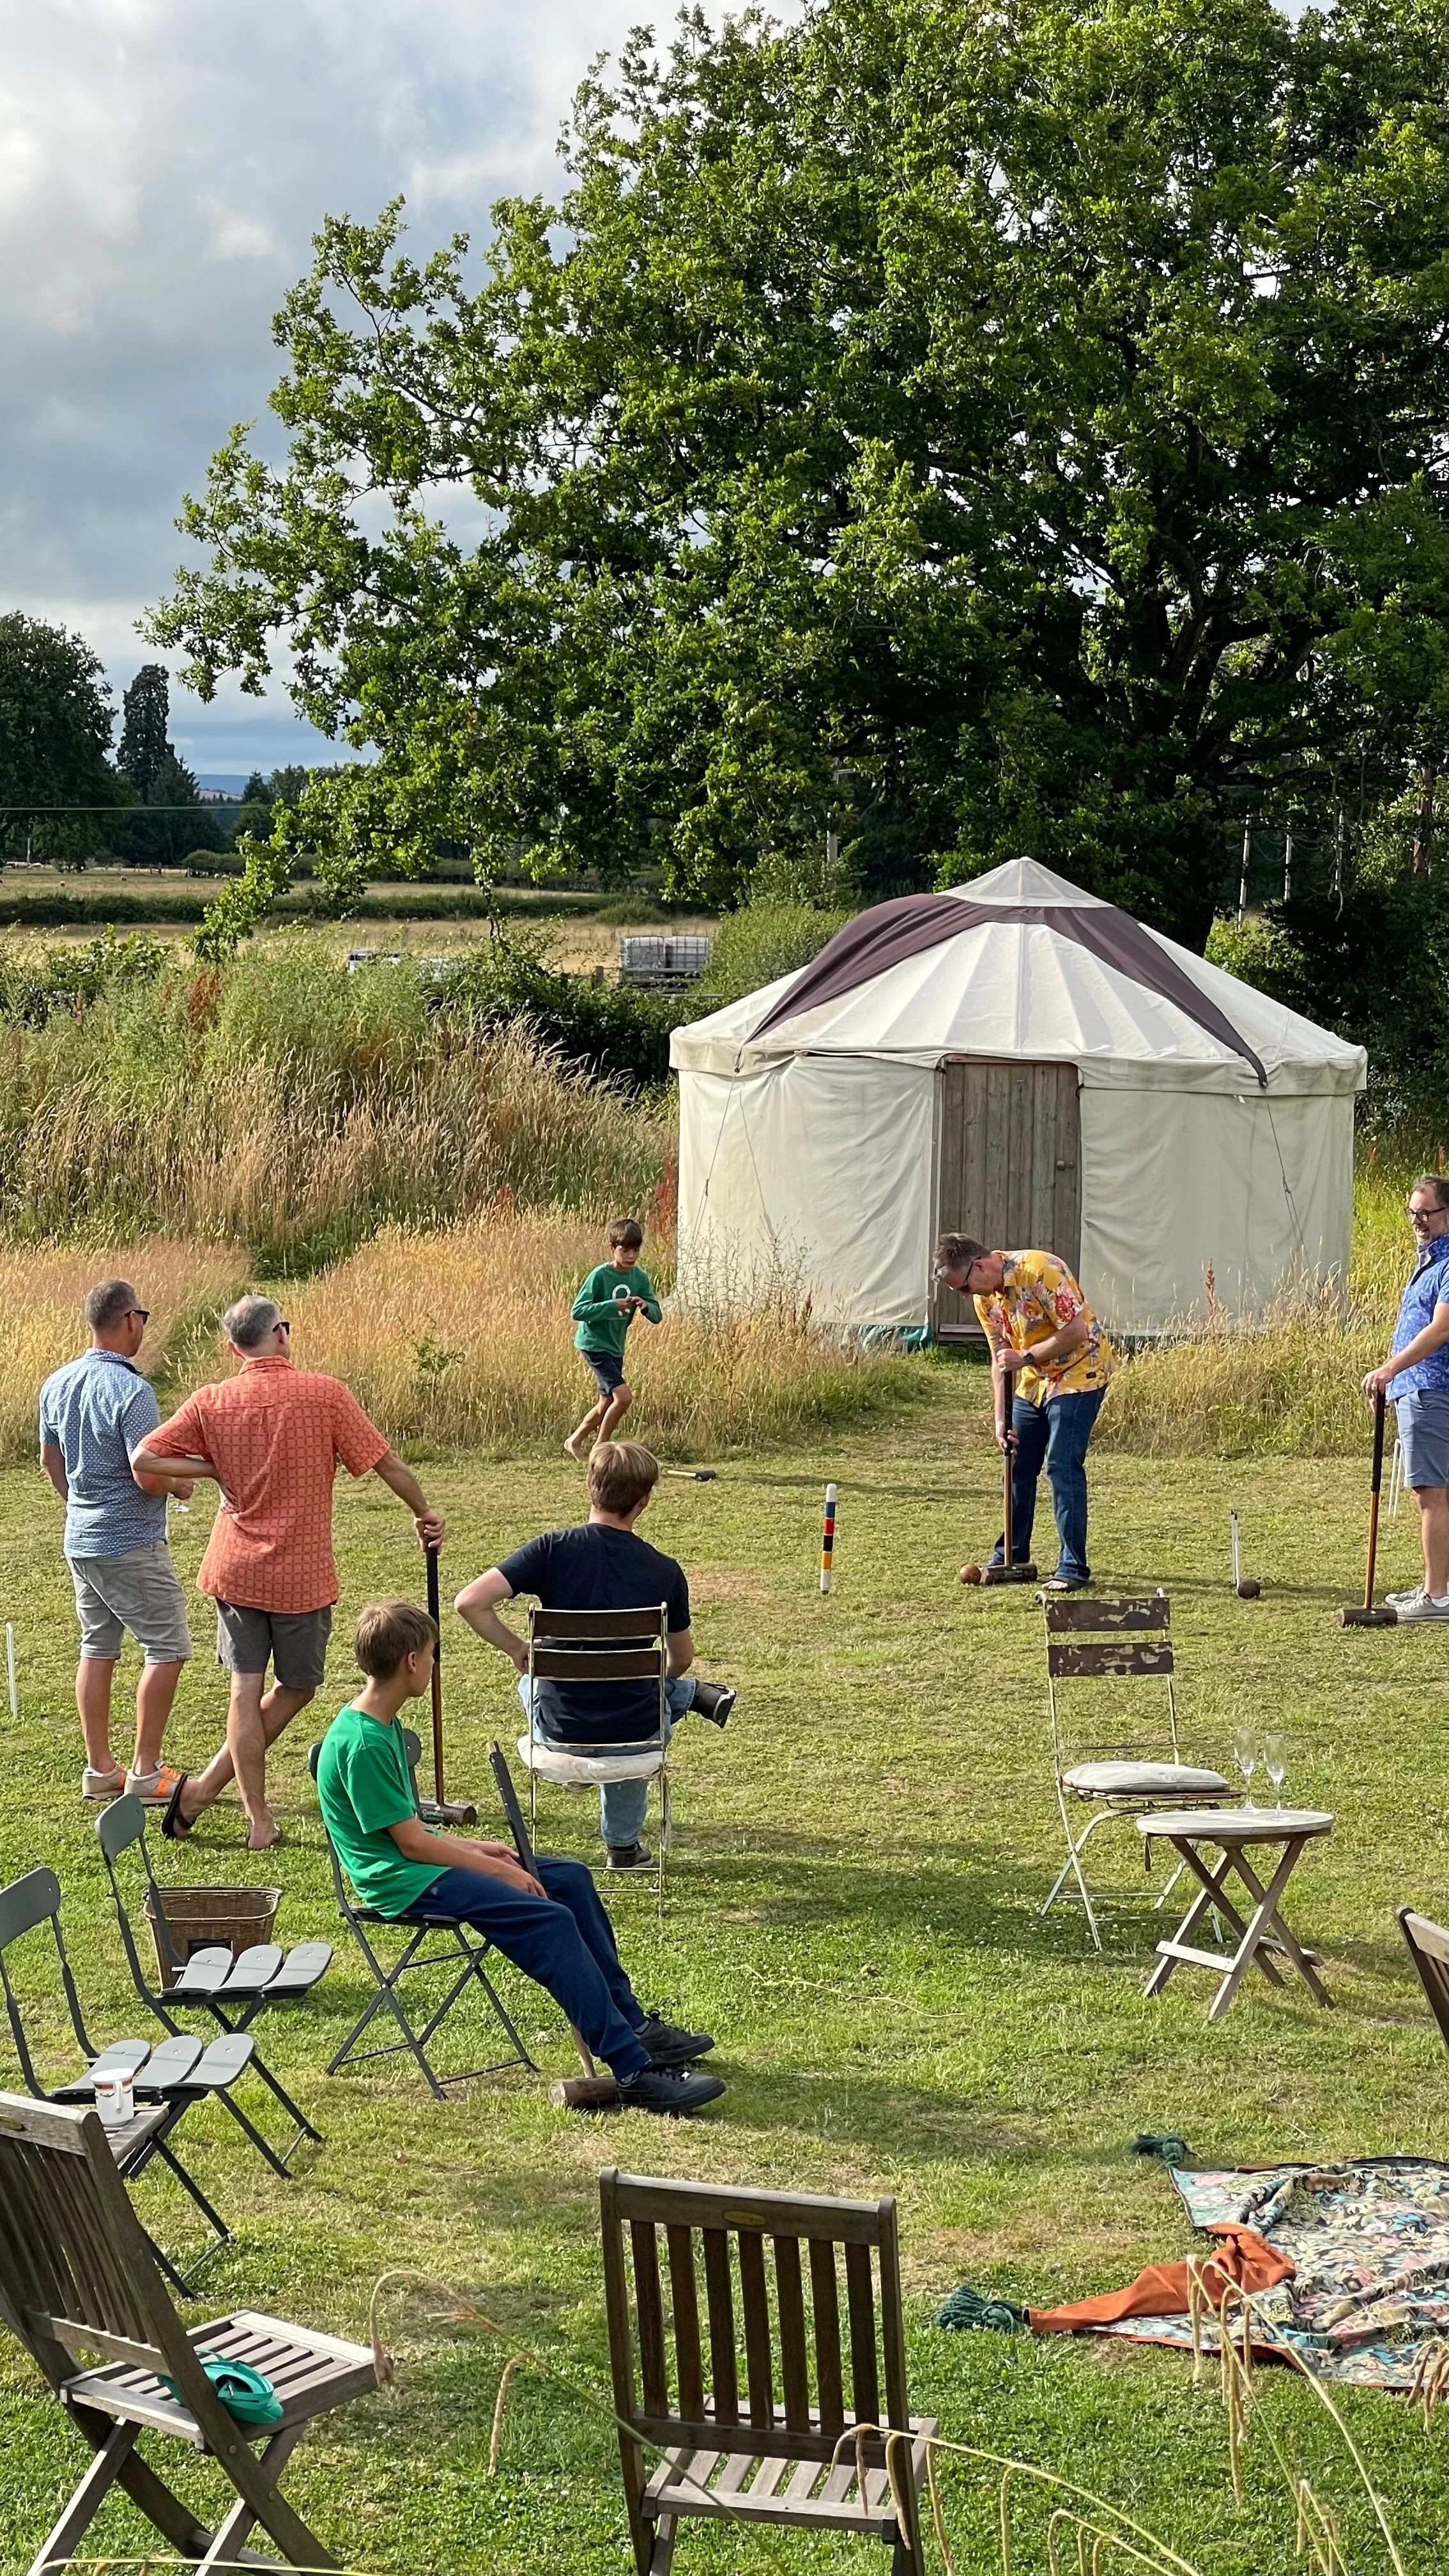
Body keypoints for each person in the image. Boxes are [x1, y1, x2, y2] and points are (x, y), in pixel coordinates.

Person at [316, 1600, 724, 2114]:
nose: (436, 1665)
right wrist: (495, 1867)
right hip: (401, 1881)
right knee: (550, 1921)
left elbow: (410, 1828)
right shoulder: (364, 1743)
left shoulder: (384, 1725)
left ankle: (635, 2027)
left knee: (571, 1878)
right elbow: (411, 1846)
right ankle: (633, 2069)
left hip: (421, 1863)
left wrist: (478, 1848)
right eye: (434, 1654)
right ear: (412, 1662)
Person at [130, 1295, 445, 1850]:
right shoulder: (324, 1394)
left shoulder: (212, 1400)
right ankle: (229, 1804)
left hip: (236, 1568)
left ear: (234, 1348)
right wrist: (423, 1512)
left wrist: (211, 1467)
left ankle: (229, 1804)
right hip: (301, 1573)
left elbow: (145, 1459)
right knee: (295, 1687)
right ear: (280, 1333)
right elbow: (385, 1461)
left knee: (246, 1690)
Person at [454, 1439, 734, 1871]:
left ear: (589, 1483)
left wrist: (516, 1648)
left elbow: (469, 1601)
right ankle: (623, 1847)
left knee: (531, 1679)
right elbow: (681, 1657)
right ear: (645, 1500)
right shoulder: (664, 1570)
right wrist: (666, 1685)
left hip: (560, 1729)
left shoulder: (551, 1550)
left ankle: (666, 1708)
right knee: (641, 1703)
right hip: (634, 1731)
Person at [39, 1278, 194, 1804]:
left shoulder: (56, 1383)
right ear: (130, 1320)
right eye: (143, 1319)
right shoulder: (133, 1391)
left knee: (98, 1645)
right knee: (167, 1647)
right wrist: (179, 1483)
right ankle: (147, 1774)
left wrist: (78, 1505)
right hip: (130, 1541)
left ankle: (101, 1769)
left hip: (81, 1538)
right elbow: (146, 1472)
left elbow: (50, 1461)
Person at [935, 1235, 1114, 1594]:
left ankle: (1072, 1568)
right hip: (1036, 1380)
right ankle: (1012, 1557)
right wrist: (1002, 1419)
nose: (968, 1296)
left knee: (1062, 1465)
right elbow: (1000, 1358)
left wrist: (1027, 1357)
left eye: (965, 1287)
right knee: (1016, 1458)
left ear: (981, 1265)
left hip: (1081, 1370)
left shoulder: (1041, 1270)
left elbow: (1076, 1332)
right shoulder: (988, 1300)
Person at [1362, 1174, 1449, 1621]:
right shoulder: (1431, 1262)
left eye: (1426, 1212)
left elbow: (1441, 1327)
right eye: (1412, 1212)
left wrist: (1392, 1369)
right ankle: (1438, 1585)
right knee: (1434, 1493)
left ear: (1447, 1214)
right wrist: (1391, 1382)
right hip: (1417, 1387)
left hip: (1433, 1388)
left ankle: (1436, 1597)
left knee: (1429, 1493)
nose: (1417, 1220)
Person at [564, 1216, 662, 1461]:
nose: (630, 1256)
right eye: (624, 1250)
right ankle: (601, 1447)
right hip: (594, 1345)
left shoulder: (639, 1278)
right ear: (612, 1248)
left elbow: (658, 1314)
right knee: (623, 1398)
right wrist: (611, 1306)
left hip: (615, 1346)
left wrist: (645, 1306)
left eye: (635, 1250)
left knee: (606, 1402)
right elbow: (578, 1311)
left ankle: (574, 1441)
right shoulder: (600, 1275)